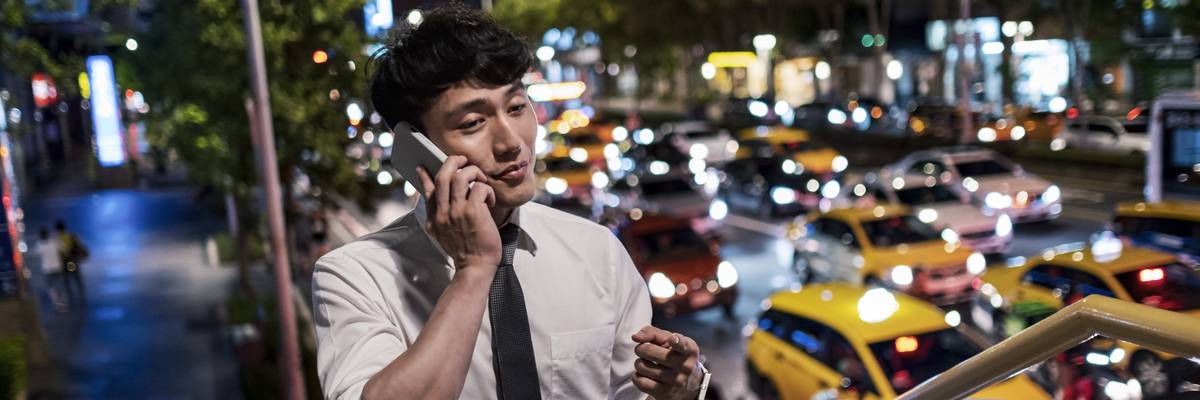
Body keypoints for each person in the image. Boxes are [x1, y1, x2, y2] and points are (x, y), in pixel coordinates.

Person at [311, 5, 708, 400]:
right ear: (416, 148)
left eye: (517, 107)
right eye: (472, 123)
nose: (512, 142)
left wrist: (684, 390)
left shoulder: (597, 251)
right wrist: (473, 271)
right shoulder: (354, 277)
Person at [55, 220, 87, 306]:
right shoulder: (71, 236)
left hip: (64, 263)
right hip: (73, 261)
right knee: (77, 279)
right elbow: (79, 246)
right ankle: (81, 296)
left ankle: (71, 298)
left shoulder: (56, 239)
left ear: (57, 229)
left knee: (66, 281)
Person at [36, 228, 66, 312]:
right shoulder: (54, 242)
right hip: (57, 267)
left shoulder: (39, 245)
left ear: (40, 236)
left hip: (47, 269)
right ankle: (62, 303)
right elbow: (63, 248)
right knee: (60, 285)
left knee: (51, 287)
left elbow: (37, 254)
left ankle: (57, 304)